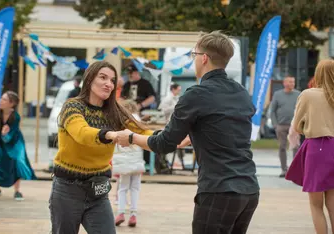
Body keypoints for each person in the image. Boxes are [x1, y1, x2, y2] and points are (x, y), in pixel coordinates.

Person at [116, 31, 260, 234]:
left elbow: (164, 144)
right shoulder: (241, 93)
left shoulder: (196, 94)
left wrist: (131, 137)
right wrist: (193, 135)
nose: (193, 60)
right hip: (249, 188)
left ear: (204, 58)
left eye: (193, 54)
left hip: (218, 189)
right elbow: (226, 130)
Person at [49, 61, 154, 234]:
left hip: (98, 190)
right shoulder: (73, 106)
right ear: (89, 79)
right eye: (103, 77)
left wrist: (172, 139)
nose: (109, 84)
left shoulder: (115, 112)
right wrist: (111, 135)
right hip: (67, 189)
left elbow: (144, 131)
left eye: (112, 80)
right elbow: (82, 133)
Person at [286, 59, 334, 234]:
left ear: (317, 73)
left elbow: (297, 126)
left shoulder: (308, 95)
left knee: (316, 204)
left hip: (317, 147)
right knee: (332, 202)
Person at [0, 91, 36, 200]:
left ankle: (17, 190)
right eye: (1, 98)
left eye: (4, 99)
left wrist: (5, 135)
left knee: (17, 160)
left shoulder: (15, 117)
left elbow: (11, 135)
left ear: (12, 103)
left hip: (14, 141)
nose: (0, 101)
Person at [113, 100, 145, 227]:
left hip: (123, 161)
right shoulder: (138, 122)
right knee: (135, 188)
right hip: (136, 160)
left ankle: (120, 213)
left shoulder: (120, 121)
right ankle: (133, 215)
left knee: (122, 188)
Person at [270, 76, 301, 177]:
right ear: (284, 83)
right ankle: (284, 170)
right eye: (290, 82)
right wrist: (275, 125)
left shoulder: (298, 94)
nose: (292, 84)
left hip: (294, 126)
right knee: (282, 147)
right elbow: (272, 111)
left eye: (293, 82)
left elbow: (302, 110)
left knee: (296, 147)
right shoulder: (277, 94)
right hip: (281, 126)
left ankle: (295, 170)